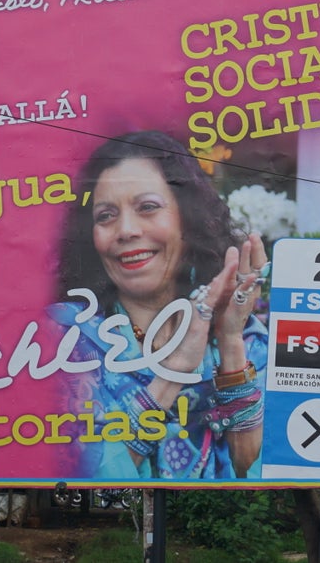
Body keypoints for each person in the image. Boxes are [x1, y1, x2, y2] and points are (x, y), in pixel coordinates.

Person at [48, 130, 269, 479]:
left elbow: (252, 473)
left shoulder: (246, 339)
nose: (126, 230)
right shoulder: (65, 338)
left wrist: (229, 341)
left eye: (147, 207)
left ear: (187, 219)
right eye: (105, 215)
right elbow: (89, 481)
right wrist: (176, 368)